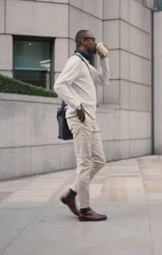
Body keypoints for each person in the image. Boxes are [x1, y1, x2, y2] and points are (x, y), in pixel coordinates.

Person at [54, 30, 109, 222]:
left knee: (99, 161)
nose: (95, 42)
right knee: (85, 163)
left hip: (90, 118)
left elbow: (103, 81)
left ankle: (71, 194)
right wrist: (77, 105)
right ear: (83, 41)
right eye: (92, 39)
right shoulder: (75, 61)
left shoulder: (85, 63)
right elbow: (59, 85)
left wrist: (104, 58)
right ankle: (85, 210)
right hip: (81, 118)